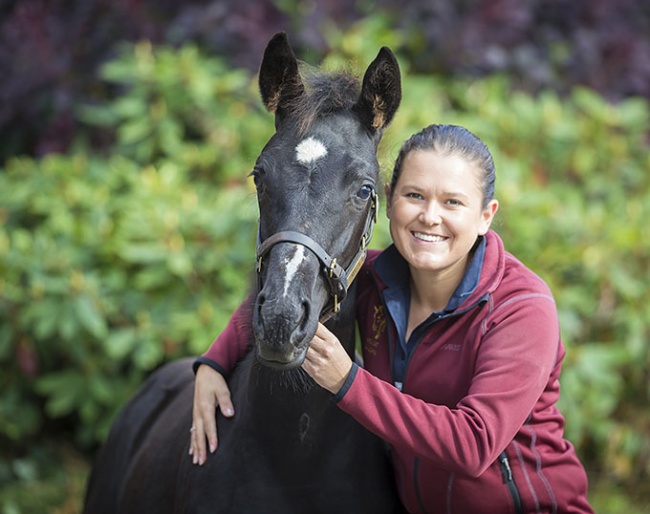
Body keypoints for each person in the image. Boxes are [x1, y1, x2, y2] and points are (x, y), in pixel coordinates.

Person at [189, 124, 594, 513]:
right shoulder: (371, 280)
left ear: (486, 215)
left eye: (452, 202)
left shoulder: (521, 306)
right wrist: (213, 363)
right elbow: (290, 294)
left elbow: (473, 445)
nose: (430, 216)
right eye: (414, 195)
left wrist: (347, 382)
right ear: (387, 199)